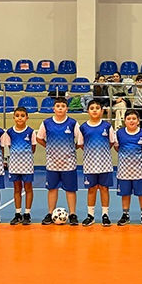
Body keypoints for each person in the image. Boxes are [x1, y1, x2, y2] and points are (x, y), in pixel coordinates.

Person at [37, 96, 80, 226]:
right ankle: (50, 213)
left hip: (69, 163)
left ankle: (72, 214)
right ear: (53, 108)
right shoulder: (46, 123)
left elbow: (80, 140)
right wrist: (48, 147)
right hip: (52, 163)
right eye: (58, 106)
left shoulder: (73, 123)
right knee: (52, 189)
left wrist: (72, 149)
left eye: (63, 106)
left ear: (67, 108)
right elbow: (39, 138)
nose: (60, 108)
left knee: (70, 190)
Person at [78, 99, 117, 226]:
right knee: (92, 189)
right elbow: (81, 144)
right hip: (90, 164)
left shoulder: (107, 126)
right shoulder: (83, 127)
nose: (94, 110)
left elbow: (111, 142)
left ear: (101, 111)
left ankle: (105, 215)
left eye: (97, 108)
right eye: (92, 108)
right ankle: (90, 215)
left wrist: (101, 152)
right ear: (88, 111)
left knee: (104, 189)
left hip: (105, 164)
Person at [114, 109, 142, 226]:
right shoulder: (119, 133)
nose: (131, 121)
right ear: (124, 121)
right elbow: (117, 147)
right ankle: (125, 215)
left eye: (134, 119)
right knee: (125, 193)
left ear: (138, 121)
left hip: (140, 170)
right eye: (129, 119)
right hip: (124, 170)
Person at [3, 106, 36, 225]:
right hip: (14, 165)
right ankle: (18, 214)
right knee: (17, 189)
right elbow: (10, 146)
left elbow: (33, 148)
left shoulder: (31, 132)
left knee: (28, 188)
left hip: (27, 165)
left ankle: (27, 214)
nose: (20, 118)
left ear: (27, 117)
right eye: (17, 116)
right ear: (13, 118)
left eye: (22, 116)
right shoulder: (9, 132)